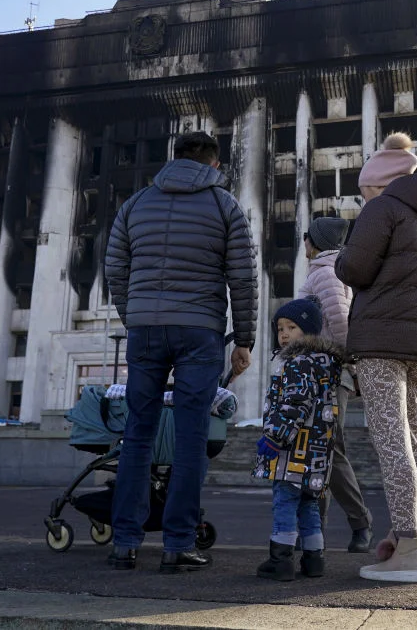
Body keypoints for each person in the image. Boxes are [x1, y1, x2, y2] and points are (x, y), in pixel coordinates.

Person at [104, 131, 258, 574]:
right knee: (191, 437)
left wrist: (133, 315)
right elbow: (243, 276)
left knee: (137, 432)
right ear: (214, 164)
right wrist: (243, 339)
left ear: (174, 160)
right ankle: (178, 544)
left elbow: (116, 267)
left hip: (145, 330)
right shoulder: (224, 205)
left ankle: (125, 543)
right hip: (200, 331)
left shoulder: (135, 204)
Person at [335, 131, 417, 584]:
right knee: (412, 441)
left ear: (376, 182)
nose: (362, 197)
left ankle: (407, 550)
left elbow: (354, 268)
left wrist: (340, 257)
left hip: (381, 340)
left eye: (363, 190)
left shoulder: (382, 208)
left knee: (392, 443)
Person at [296, 216, 374, 553]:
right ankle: (316, 531)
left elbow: (341, 324)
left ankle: (359, 522)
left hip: (328, 373)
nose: (304, 241)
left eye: (306, 236)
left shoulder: (327, 273)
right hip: (318, 373)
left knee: (329, 449)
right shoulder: (324, 271)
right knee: (319, 450)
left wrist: (351, 367)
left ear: (316, 241)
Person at [253, 299, 341, 581]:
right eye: (280, 328)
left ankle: (280, 560)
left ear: (309, 330)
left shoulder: (299, 363)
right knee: (309, 505)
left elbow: (294, 403)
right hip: (316, 454)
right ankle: (314, 560)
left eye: (292, 327)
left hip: (292, 452)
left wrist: (275, 438)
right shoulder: (324, 364)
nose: (284, 334)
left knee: (285, 502)